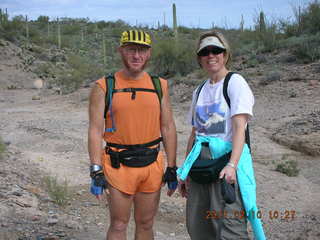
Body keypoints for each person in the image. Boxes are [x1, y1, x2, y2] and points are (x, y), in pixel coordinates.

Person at [88, 30, 178, 240]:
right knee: (119, 224)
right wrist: (95, 169)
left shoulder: (159, 85)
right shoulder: (104, 86)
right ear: (121, 51)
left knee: (146, 223)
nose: (136, 56)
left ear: (149, 54)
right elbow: (94, 129)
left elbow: (168, 127)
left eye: (142, 50)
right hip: (118, 165)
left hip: (151, 164)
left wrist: (172, 166)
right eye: (131, 50)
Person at [177, 31, 266, 239]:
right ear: (199, 59)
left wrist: (232, 165)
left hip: (225, 166)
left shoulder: (235, 83)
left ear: (225, 54)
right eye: (205, 52)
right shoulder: (198, 91)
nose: (211, 55)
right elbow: (194, 134)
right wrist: (185, 171)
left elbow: (239, 128)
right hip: (200, 168)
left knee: (229, 229)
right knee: (199, 227)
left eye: (216, 50)